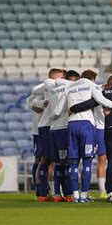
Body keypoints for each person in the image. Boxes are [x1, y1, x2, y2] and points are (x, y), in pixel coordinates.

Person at [66, 70, 112, 203]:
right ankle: (101, 191)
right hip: (98, 127)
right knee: (102, 159)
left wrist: (74, 108)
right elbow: (95, 102)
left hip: (91, 126)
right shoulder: (98, 89)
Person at [44, 70, 80, 202]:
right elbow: (59, 110)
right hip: (63, 129)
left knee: (58, 163)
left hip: (54, 128)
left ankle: (58, 193)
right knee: (66, 163)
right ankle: (68, 193)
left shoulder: (53, 90)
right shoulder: (68, 89)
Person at [33, 68, 65, 202]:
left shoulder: (54, 87)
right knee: (47, 160)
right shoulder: (48, 84)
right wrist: (42, 103)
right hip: (47, 126)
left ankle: (49, 192)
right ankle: (45, 191)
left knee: (51, 160)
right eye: (60, 77)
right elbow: (34, 92)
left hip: (51, 125)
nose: (61, 80)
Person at [26, 90, 44, 199]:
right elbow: (29, 100)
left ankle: (47, 187)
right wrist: (34, 107)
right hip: (39, 131)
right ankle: (38, 187)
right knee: (39, 159)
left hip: (50, 129)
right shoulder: (41, 90)